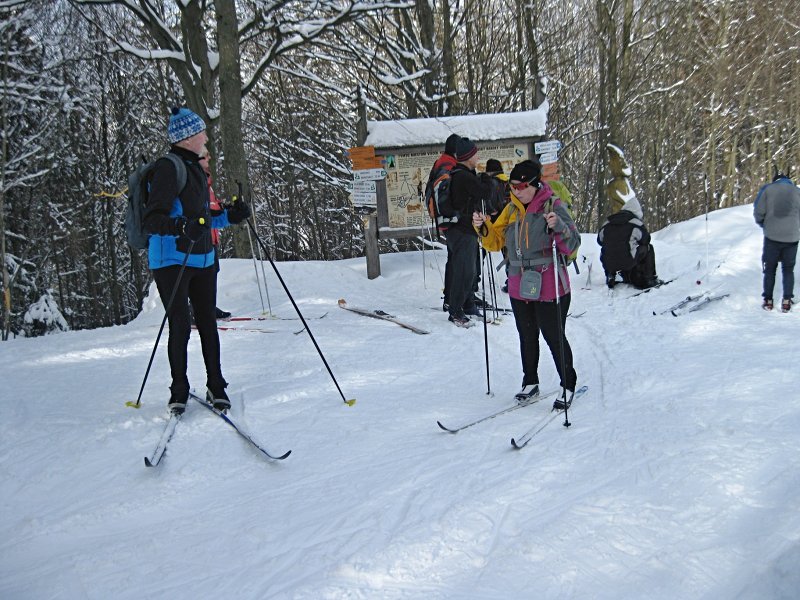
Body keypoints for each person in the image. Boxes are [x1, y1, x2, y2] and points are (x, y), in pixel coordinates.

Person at [143, 106, 250, 414]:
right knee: (179, 325)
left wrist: (230, 216)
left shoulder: (196, 169)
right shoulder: (168, 168)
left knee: (207, 323)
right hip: (172, 261)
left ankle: (217, 385)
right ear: (188, 137)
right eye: (202, 131)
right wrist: (179, 227)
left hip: (203, 259)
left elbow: (202, 219)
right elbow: (154, 219)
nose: (206, 136)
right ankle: (179, 390)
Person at [472, 159, 581, 406]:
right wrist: (483, 227)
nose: (516, 191)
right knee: (526, 334)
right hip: (520, 283)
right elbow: (495, 242)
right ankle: (530, 382)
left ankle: (568, 383)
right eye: (513, 186)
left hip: (550, 282)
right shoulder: (511, 210)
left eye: (521, 186)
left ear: (534, 184)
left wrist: (559, 226)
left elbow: (573, 245)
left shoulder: (552, 205)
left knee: (553, 335)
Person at [446, 137, 492, 326]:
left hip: (463, 229)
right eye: (475, 153)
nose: (478, 156)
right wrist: (486, 178)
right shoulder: (463, 176)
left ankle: (468, 305)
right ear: (468, 156)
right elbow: (485, 192)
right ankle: (456, 311)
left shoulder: (461, 173)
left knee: (470, 270)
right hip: (462, 230)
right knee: (464, 271)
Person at [753, 170, 800, 312]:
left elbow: (758, 212)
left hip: (772, 236)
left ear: (775, 180)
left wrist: (765, 225)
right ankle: (786, 300)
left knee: (770, 269)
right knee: (788, 269)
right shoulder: (797, 191)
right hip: (792, 237)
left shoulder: (767, 190)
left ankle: (768, 300)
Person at [426, 133, 461, 313]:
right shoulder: (449, 165)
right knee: (456, 260)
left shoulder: (440, 162)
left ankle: (450, 296)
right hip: (451, 220)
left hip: (444, 219)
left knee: (453, 259)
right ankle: (452, 298)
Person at [597, 196, 660, 289]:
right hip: (627, 260)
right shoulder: (635, 223)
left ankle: (611, 275)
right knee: (648, 248)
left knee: (609, 249)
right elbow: (646, 240)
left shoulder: (608, 222)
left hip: (608, 262)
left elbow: (600, 241)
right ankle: (649, 279)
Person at [199, 152, 231, 320]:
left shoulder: (207, 181)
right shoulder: (196, 180)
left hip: (211, 236)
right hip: (199, 237)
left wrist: (225, 209)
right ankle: (196, 310)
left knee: (213, 271)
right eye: (205, 156)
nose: (209, 158)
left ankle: (210, 307)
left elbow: (212, 207)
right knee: (201, 275)